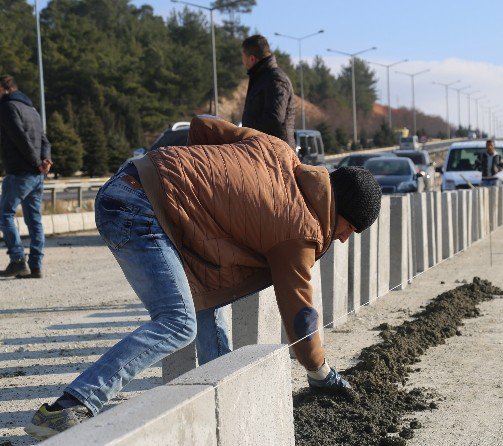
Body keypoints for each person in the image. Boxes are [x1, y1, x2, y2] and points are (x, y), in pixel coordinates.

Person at [25, 115, 381, 440]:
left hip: (135, 181)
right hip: (139, 210)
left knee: (207, 298)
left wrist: (198, 186)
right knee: (178, 323)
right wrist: (321, 373)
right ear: (339, 210)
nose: (345, 238)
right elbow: (301, 317)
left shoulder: (278, 150)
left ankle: (222, 395)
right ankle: (68, 407)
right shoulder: (301, 230)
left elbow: (203, 126)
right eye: (350, 228)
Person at [0, 75, 52, 279]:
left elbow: (19, 138)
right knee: (34, 219)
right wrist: (45, 160)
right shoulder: (31, 109)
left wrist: (36, 162)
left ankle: (18, 260)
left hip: (21, 172)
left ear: (4, 88)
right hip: (37, 175)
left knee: (4, 214)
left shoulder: (7, 107)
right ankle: (36, 265)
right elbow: (44, 139)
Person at [241, 34, 296, 148]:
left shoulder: (275, 79)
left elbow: (274, 119)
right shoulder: (261, 78)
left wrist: (244, 133)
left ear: (252, 58)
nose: (243, 62)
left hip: (277, 155)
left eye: (243, 57)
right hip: (265, 151)